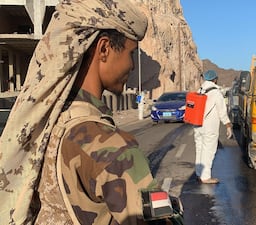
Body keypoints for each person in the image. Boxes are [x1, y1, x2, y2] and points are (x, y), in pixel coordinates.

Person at [0, 1, 159, 224]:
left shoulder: (43, 127)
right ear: (104, 49)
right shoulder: (109, 144)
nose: (132, 66)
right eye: (131, 53)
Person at [194, 70, 233, 184]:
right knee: (209, 151)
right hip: (209, 127)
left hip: (197, 125)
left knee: (199, 150)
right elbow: (222, 111)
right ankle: (206, 177)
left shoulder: (200, 90)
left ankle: (198, 173)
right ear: (215, 79)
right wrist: (228, 126)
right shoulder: (215, 92)